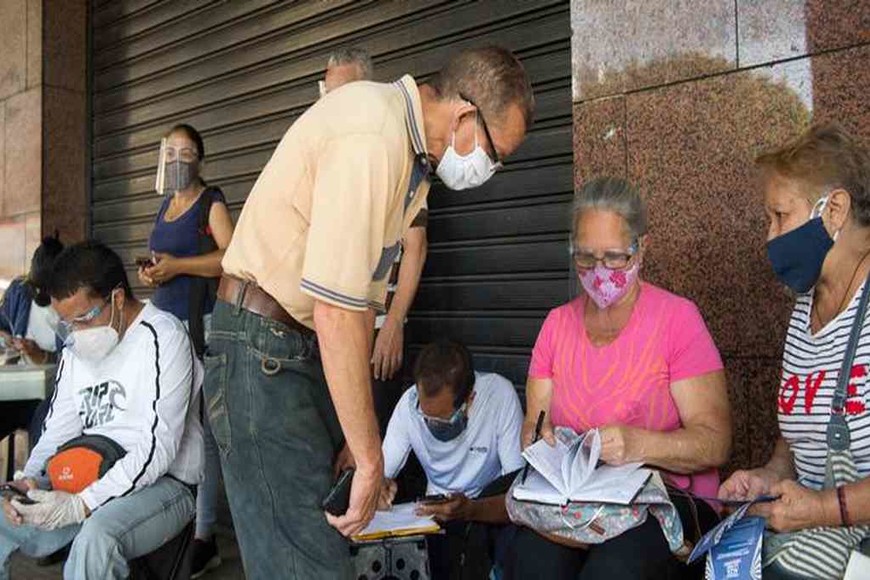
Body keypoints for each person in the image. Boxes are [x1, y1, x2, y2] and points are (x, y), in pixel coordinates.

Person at [206, 45, 534, 578]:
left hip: (286, 352)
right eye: (496, 154)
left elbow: (357, 309)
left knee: (322, 550)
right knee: (305, 563)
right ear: (465, 116)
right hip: (260, 350)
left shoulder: (409, 163)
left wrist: (363, 447)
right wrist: (371, 456)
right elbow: (336, 312)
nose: (491, 171)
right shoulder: (373, 139)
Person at [505, 177, 732, 580]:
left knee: (614, 572)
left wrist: (637, 444)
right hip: (575, 501)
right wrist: (538, 440)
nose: (599, 272)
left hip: (663, 499)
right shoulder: (557, 326)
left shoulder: (677, 321)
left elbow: (715, 443)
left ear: (641, 248)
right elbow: (534, 424)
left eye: (614, 258)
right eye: (586, 259)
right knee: (529, 562)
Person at [0, 240, 204, 580]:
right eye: (67, 323)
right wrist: (29, 480)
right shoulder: (76, 351)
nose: (75, 333)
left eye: (82, 318)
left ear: (117, 298)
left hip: (166, 485)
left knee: (97, 538)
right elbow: (57, 431)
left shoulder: (165, 337)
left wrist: (82, 504)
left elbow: (159, 449)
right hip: (89, 474)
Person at [718, 123, 870, 579]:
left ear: (835, 209)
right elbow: (797, 441)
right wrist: (768, 477)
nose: (770, 236)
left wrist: (821, 508)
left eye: (780, 216)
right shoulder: (805, 308)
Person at [139, 123, 234, 578]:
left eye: (186, 152)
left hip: (202, 326)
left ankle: (204, 535)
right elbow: (165, 263)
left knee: (208, 430)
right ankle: (169, 523)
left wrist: (179, 266)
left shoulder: (209, 202)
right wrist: (156, 273)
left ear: (199, 158)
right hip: (165, 330)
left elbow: (231, 257)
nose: (177, 159)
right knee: (170, 426)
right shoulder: (164, 206)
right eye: (170, 151)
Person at [378, 340, 523, 579]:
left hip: (486, 509)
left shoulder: (499, 396)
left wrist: (471, 510)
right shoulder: (409, 404)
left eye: (442, 421)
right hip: (433, 516)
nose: (431, 426)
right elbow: (382, 472)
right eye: (426, 418)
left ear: (470, 399)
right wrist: (379, 492)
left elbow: (516, 488)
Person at [0, 234, 64, 449]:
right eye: (35, 287)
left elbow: (76, 361)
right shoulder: (19, 290)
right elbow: (2, 324)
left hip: (53, 394)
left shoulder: (71, 304)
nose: (38, 294)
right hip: (19, 390)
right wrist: (6, 338)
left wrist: (43, 356)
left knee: (43, 419)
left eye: (44, 289)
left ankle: (34, 479)